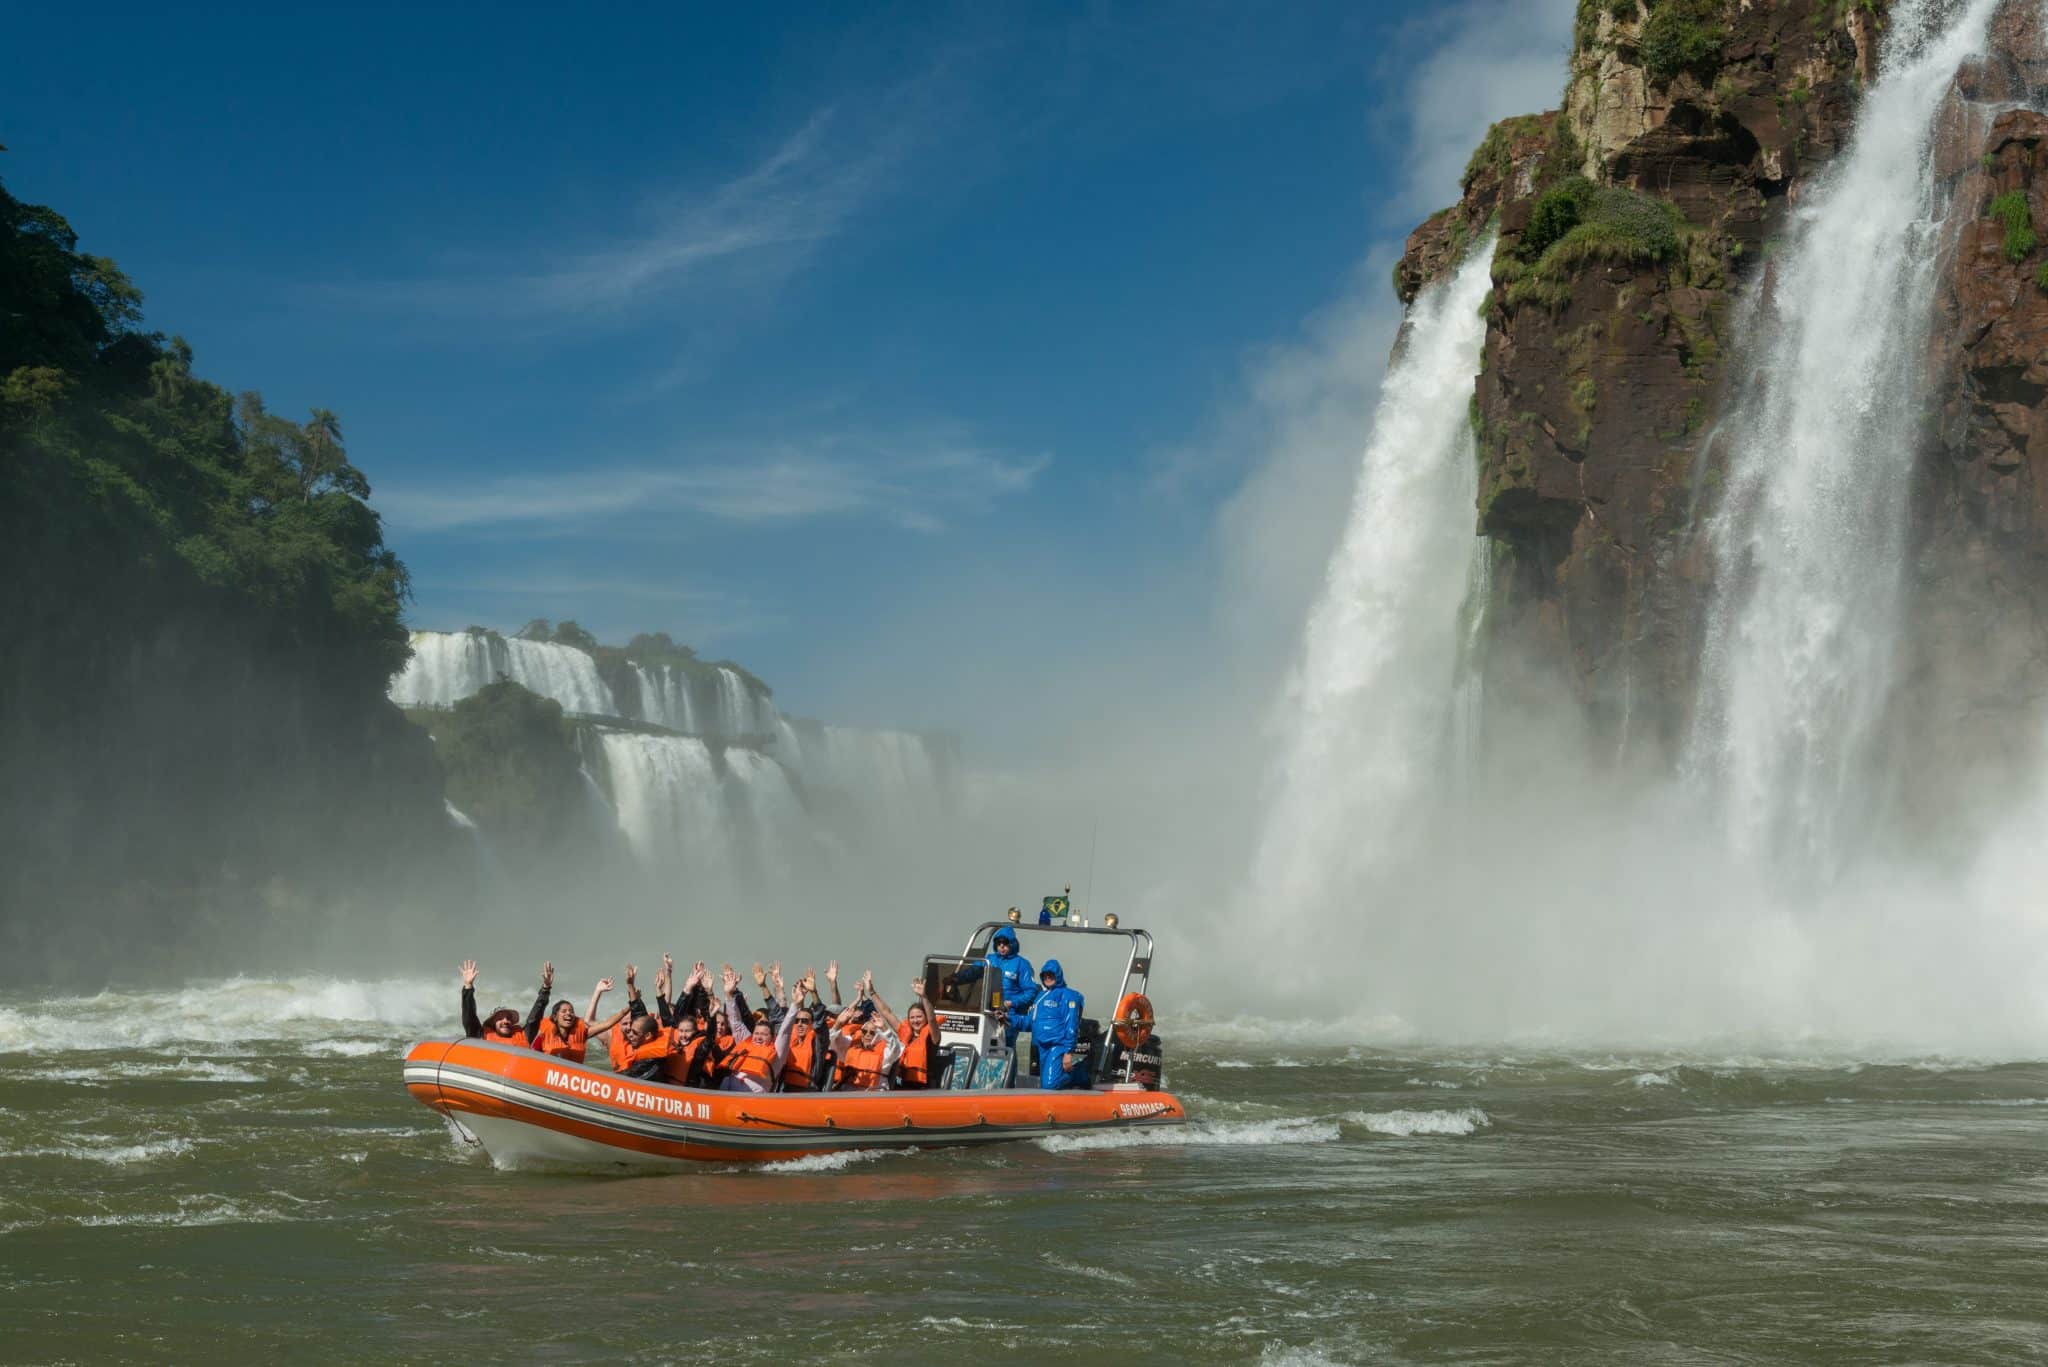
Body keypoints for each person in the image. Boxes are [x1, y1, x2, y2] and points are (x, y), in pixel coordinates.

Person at [946, 927, 1036, 1046]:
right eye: (999, 943)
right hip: (988, 1009)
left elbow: (1031, 991)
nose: (1002, 946)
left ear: (1013, 944)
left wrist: (1012, 1003)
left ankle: (1009, 1064)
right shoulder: (989, 959)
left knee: (1005, 1047)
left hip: (1008, 1013)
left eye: (1005, 943)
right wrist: (955, 978)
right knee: (985, 1045)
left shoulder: (1022, 964)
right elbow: (972, 972)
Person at [719, 965, 798, 1093]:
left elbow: (785, 1031)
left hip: (753, 1100)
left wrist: (795, 1005)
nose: (758, 1037)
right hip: (728, 1093)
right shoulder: (746, 1041)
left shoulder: (778, 1053)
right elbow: (735, 1022)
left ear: (771, 1037)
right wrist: (728, 995)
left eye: (763, 1034)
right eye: (756, 1033)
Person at [1013, 959, 1084, 1090]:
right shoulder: (1040, 996)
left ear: (1058, 975)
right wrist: (1009, 1018)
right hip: (1041, 1045)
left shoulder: (1068, 995)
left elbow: (1071, 1024)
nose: (1048, 977)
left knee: (1050, 1084)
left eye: (1051, 974)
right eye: (1045, 975)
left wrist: (1068, 1051)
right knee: (1045, 1084)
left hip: (1057, 1045)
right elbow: (1030, 1021)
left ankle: (1079, 1074)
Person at [831, 974, 905, 1090]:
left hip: (874, 1096)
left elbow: (895, 1047)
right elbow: (831, 1042)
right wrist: (838, 1024)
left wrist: (884, 1028)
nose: (867, 1035)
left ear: (878, 1036)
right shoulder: (850, 1046)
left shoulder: (886, 1053)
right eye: (864, 1031)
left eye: (872, 1032)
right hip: (848, 1093)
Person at [529, 962, 613, 1062]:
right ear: (555, 1017)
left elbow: (598, 1022)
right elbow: (533, 1018)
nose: (568, 1013)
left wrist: (597, 991)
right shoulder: (543, 1034)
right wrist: (546, 987)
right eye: (564, 1011)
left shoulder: (581, 1034)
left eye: (571, 1011)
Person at [459, 959, 546, 1046]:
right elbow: (469, 1016)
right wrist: (468, 987)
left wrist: (545, 989)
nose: (505, 1021)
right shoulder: (480, 1036)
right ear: (493, 1023)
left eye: (508, 1018)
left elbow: (534, 1019)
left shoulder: (525, 1035)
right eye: (500, 1018)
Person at [870, 978, 936, 1089]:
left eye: (919, 1017)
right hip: (902, 1085)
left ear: (925, 1018)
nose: (915, 1020)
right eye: (912, 1018)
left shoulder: (932, 1036)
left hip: (923, 1089)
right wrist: (872, 992)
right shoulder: (906, 1033)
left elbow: (932, 1020)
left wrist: (924, 997)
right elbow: (887, 1013)